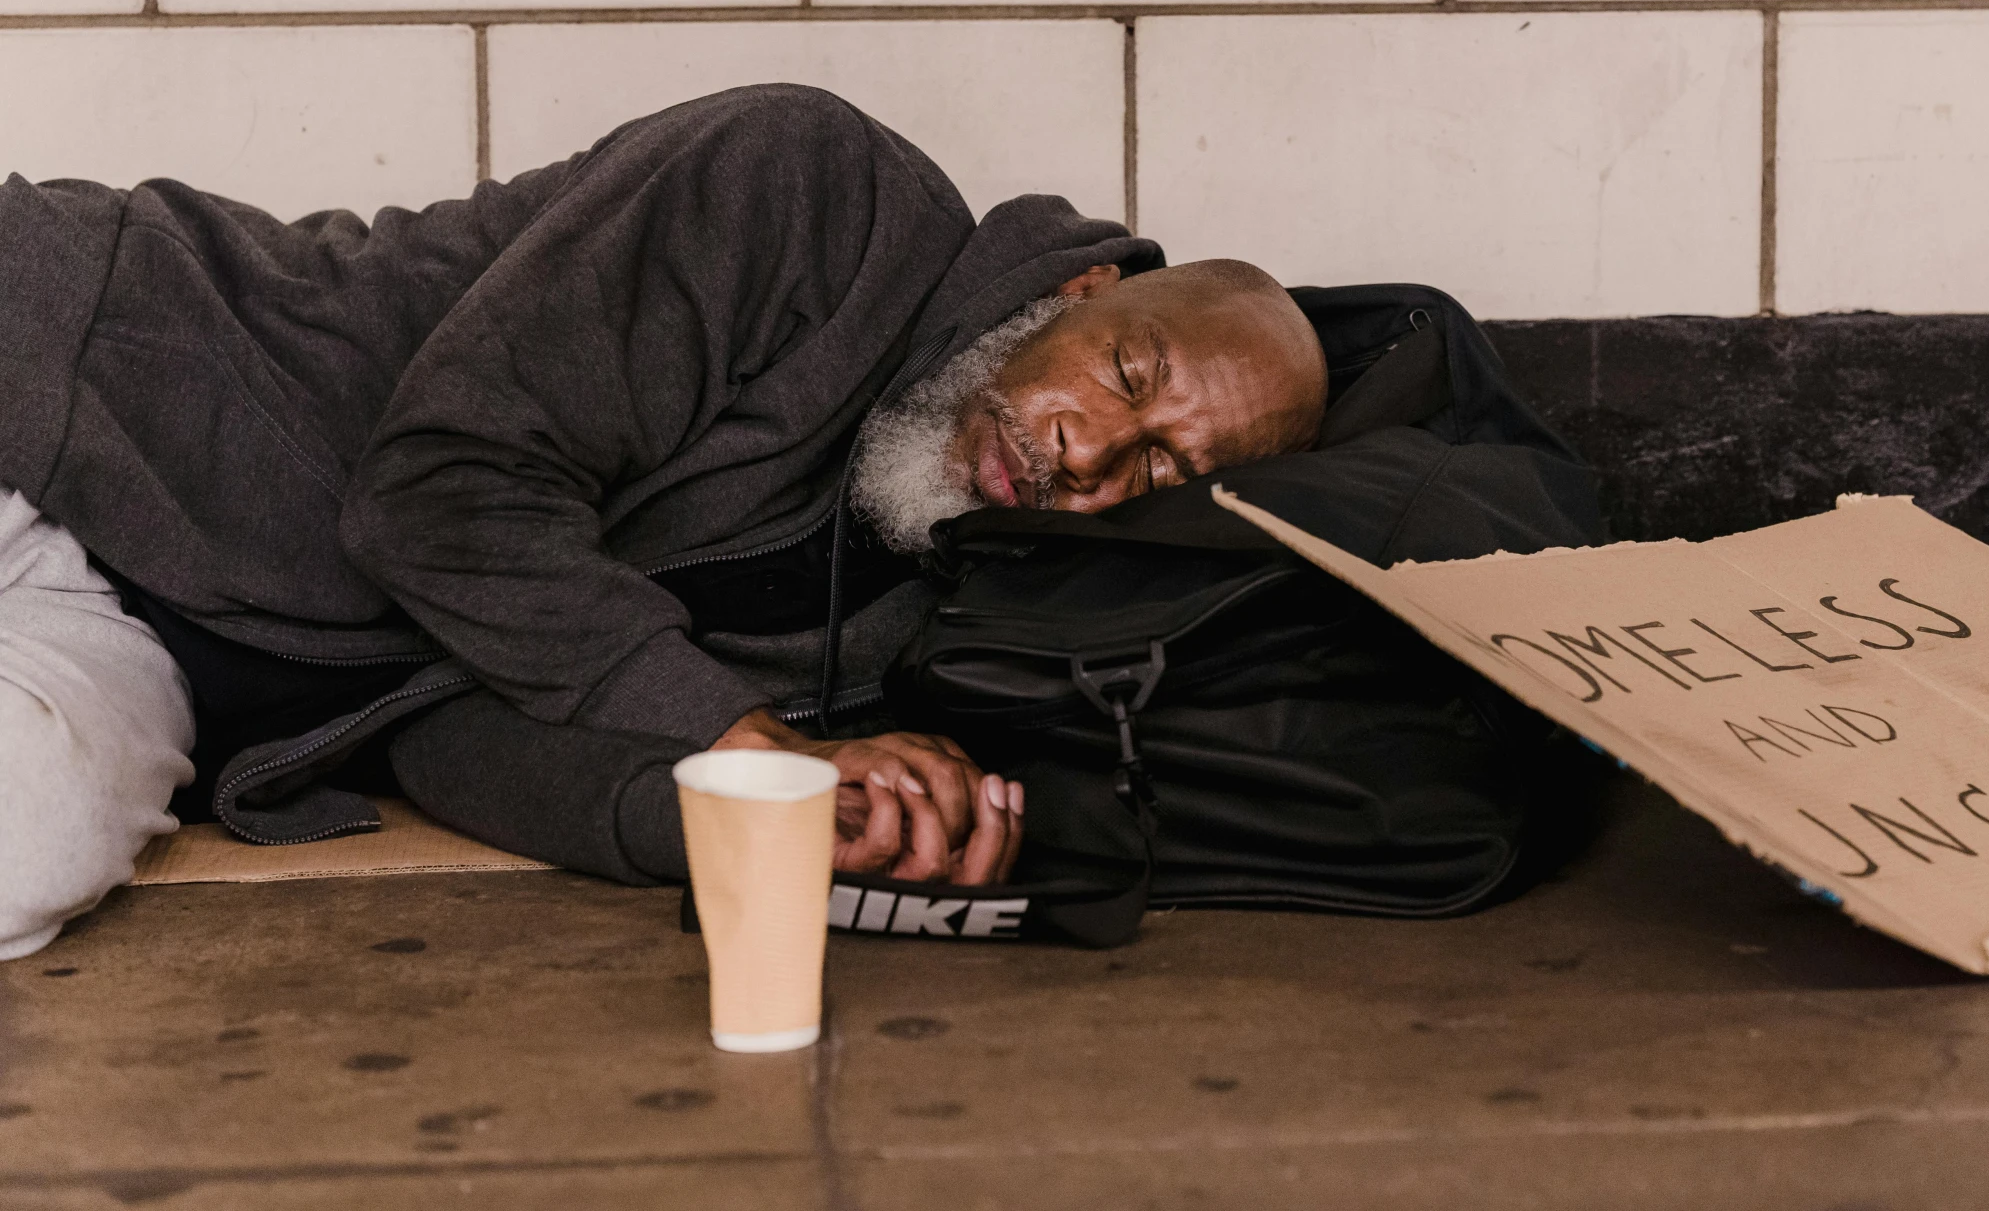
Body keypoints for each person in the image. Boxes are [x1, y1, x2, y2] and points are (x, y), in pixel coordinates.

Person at [0, 85, 1327, 961]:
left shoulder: (912, 607)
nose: (1086, 454)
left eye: (1157, 471)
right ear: (1087, 286)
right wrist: (731, 731)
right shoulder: (815, 186)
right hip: (81, 378)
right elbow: (438, 492)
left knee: (28, 846)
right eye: (1128, 378)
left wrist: (766, 807)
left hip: (142, 631)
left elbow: (453, 733)